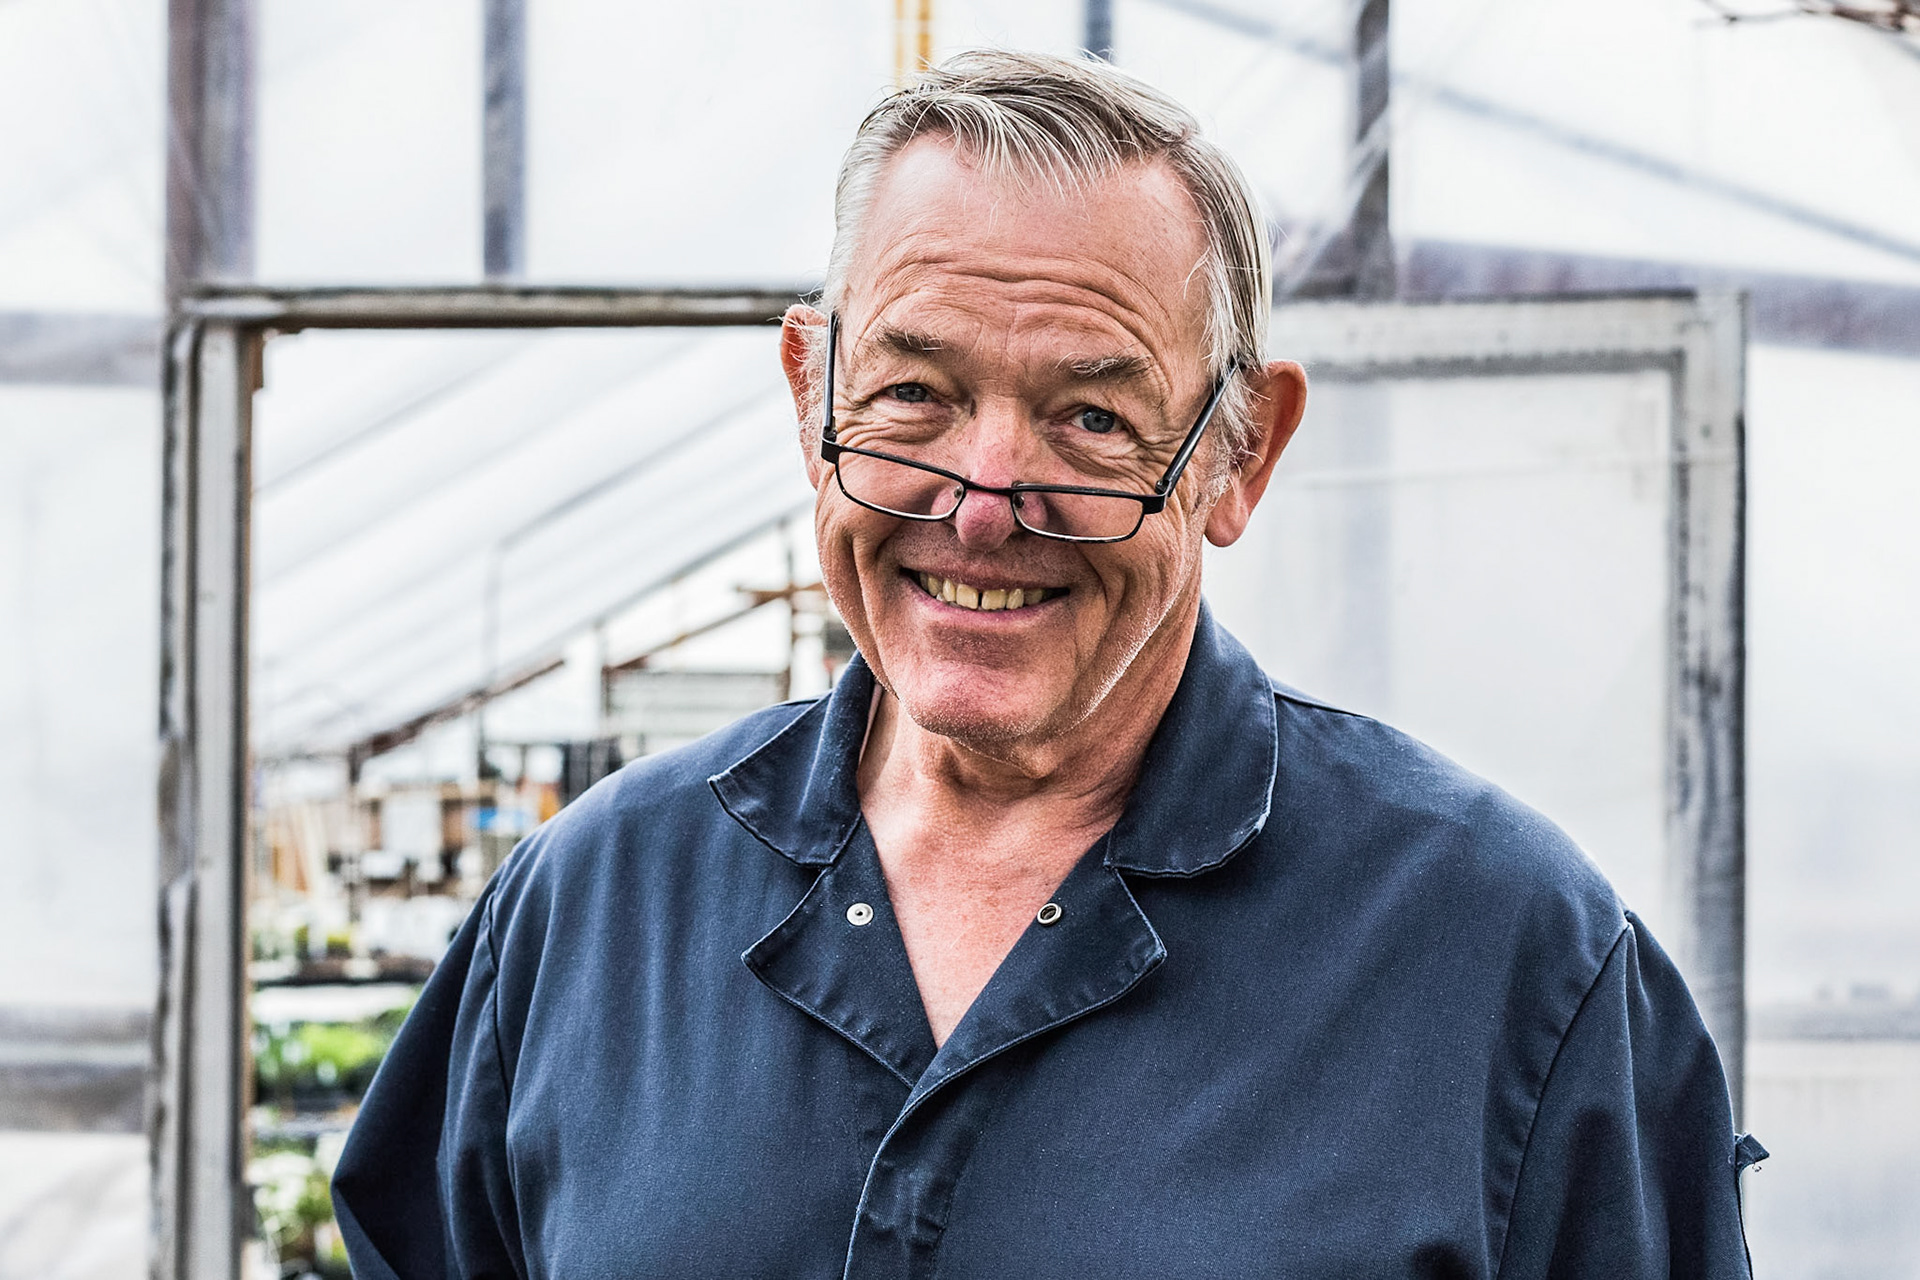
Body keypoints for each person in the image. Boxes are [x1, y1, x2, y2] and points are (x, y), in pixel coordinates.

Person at [333, 50, 1757, 1278]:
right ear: (809, 396)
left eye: (1091, 419)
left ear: (1239, 456)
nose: (983, 503)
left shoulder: (1505, 959)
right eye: (912, 394)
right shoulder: (591, 909)